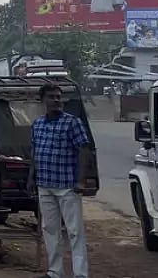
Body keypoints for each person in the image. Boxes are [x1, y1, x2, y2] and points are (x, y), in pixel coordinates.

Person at [28, 82, 91, 278]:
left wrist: (80, 181)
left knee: (74, 231)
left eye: (58, 97)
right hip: (45, 185)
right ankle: (55, 272)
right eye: (51, 97)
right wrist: (31, 177)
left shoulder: (72, 122)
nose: (56, 100)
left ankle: (80, 274)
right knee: (49, 229)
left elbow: (84, 150)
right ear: (43, 100)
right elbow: (35, 152)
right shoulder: (37, 124)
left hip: (67, 186)